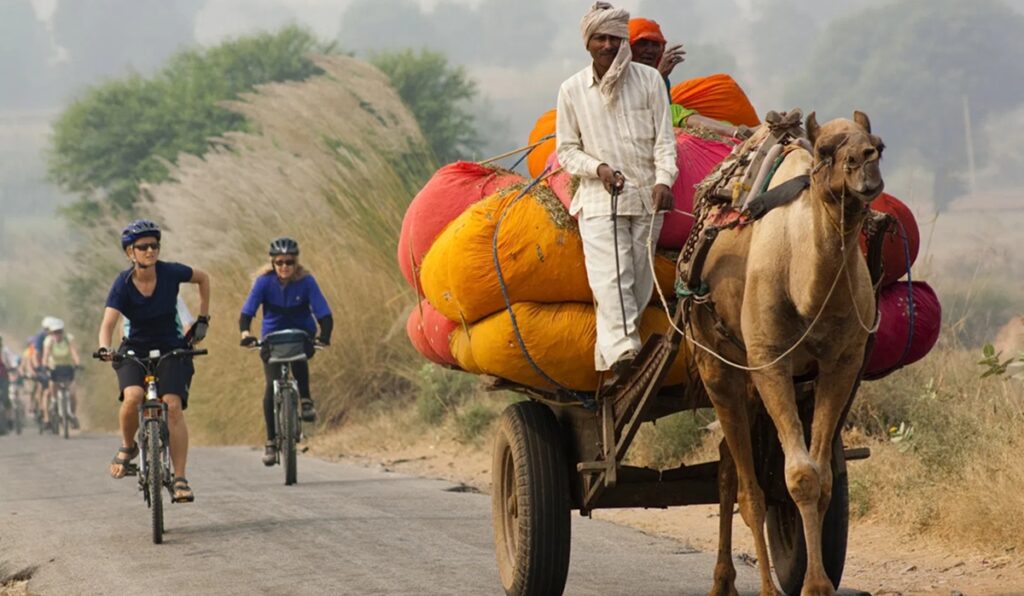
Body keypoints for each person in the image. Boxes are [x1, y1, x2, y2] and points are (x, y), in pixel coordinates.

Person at [556, 2, 678, 380]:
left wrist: (664, 181)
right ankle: (625, 354)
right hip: (598, 201)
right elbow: (566, 151)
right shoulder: (572, 90)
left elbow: (664, 141)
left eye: (615, 38)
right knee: (612, 278)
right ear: (587, 43)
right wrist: (599, 169)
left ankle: (609, 360)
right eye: (600, 38)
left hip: (646, 198)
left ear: (625, 40)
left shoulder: (650, 81)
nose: (608, 45)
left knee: (640, 281)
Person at [97, 219, 210, 503]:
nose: (150, 251)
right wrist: (104, 347)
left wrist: (203, 320)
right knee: (133, 397)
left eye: (154, 245)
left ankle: (180, 478)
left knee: (172, 405)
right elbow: (108, 322)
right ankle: (128, 447)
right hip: (134, 349)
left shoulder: (171, 272)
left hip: (172, 347)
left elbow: (203, 278)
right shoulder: (122, 284)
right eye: (143, 247)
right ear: (129, 252)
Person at [239, 237, 332, 466]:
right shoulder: (263, 282)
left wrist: (324, 337)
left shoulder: (307, 281)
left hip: (301, 333)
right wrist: (246, 334)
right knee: (270, 388)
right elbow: (247, 312)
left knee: (299, 354)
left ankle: (306, 400)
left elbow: (324, 313)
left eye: (289, 262)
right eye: (279, 262)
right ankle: (271, 441)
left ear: (296, 262)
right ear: (272, 263)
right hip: (272, 337)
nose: (284, 267)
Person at [629, 17, 752, 139]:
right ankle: (734, 132)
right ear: (629, 46)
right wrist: (659, 76)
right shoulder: (621, 72)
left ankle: (742, 132)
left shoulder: (657, 75)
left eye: (655, 45)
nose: (649, 50)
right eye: (642, 43)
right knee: (672, 111)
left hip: (659, 125)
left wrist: (661, 77)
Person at [40, 318, 82, 428]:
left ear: (63, 331)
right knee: (52, 384)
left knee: (72, 393)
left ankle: (72, 414)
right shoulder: (48, 341)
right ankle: (54, 401)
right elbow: (45, 355)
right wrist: (45, 365)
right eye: (54, 332)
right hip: (54, 367)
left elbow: (74, 353)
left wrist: (77, 363)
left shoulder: (69, 339)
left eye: (59, 332)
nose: (57, 334)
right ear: (51, 333)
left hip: (67, 367)